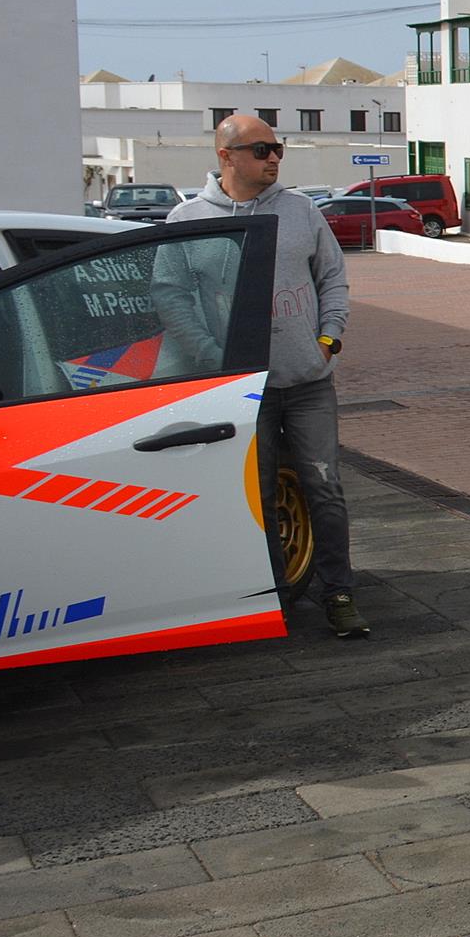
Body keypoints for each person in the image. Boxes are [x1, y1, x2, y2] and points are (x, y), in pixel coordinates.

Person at [167, 114, 370, 638]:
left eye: (278, 148)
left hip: (307, 382)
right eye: (260, 150)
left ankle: (338, 592)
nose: (274, 157)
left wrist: (328, 340)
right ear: (225, 156)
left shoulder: (301, 211)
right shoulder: (189, 218)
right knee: (253, 496)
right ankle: (271, 598)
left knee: (323, 488)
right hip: (240, 391)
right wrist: (214, 354)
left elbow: (333, 278)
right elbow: (170, 295)